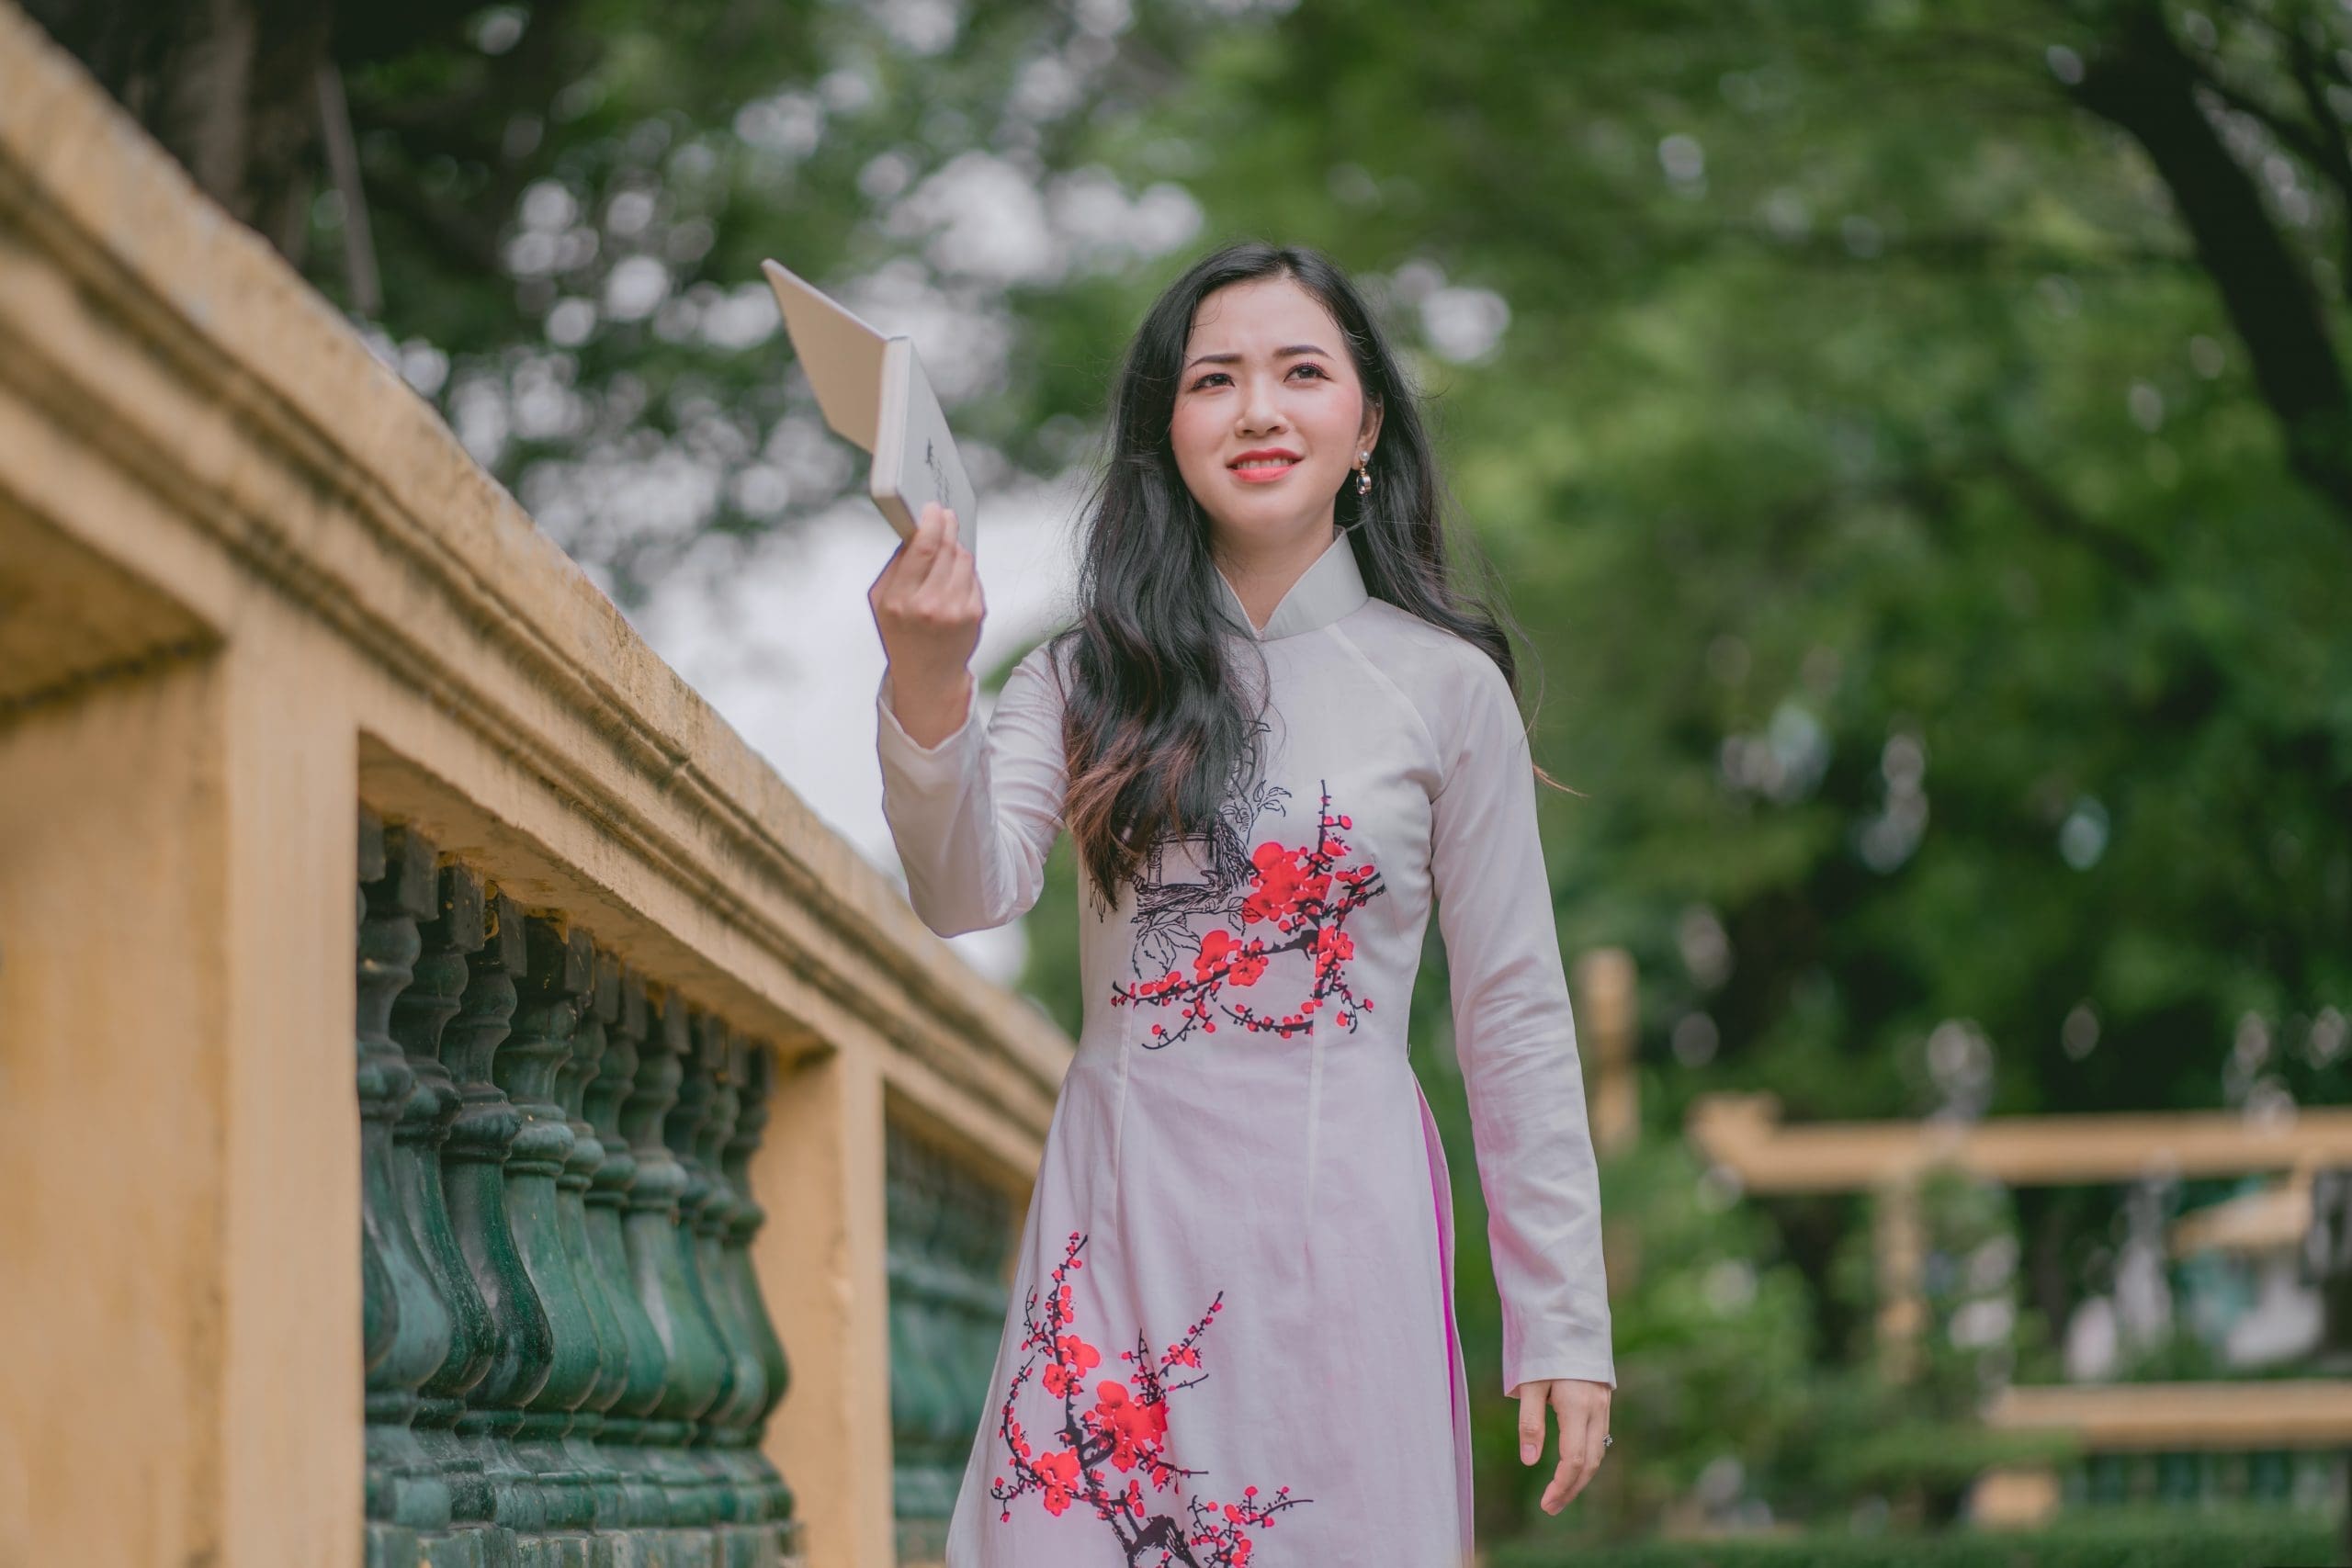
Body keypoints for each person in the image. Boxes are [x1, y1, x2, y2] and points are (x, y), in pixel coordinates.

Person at [869, 239, 1613, 1566]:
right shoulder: (1087, 676)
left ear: (1366, 421)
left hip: (1342, 1246)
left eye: (1301, 373)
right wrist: (932, 680)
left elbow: (1514, 1013)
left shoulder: (1444, 693)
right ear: (1168, 427)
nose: (1259, 410)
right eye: (1215, 379)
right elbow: (962, 886)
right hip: (1117, 1238)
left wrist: (1561, 1321)